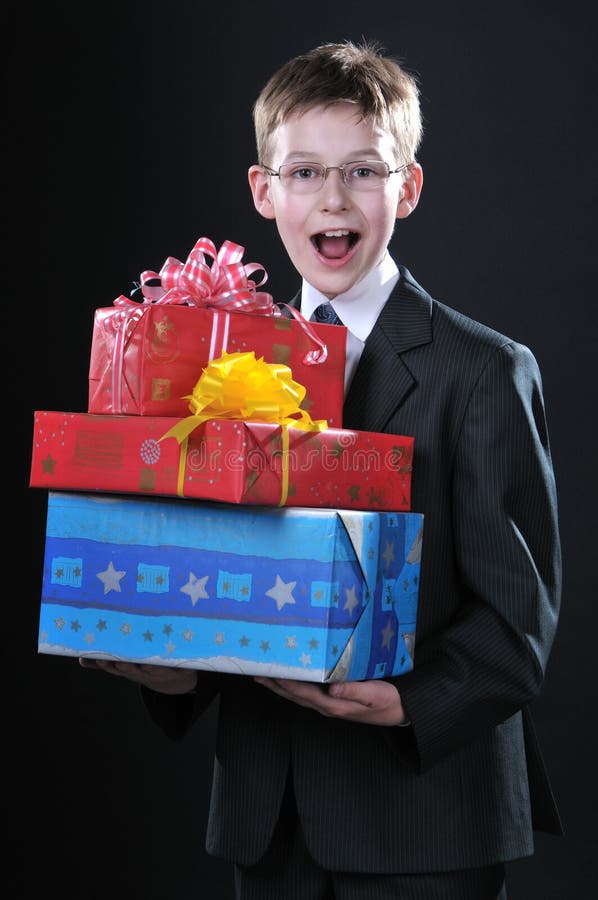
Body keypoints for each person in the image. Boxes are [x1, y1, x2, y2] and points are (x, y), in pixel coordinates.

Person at [80, 39, 563, 899]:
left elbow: (519, 621)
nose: (332, 199)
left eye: (362, 172)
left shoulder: (484, 371)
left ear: (406, 188)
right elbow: (212, 566)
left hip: (426, 818)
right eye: (303, 173)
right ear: (265, 191)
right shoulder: (206, 364)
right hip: (269, 821)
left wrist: (410, 702)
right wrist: (168, 667)